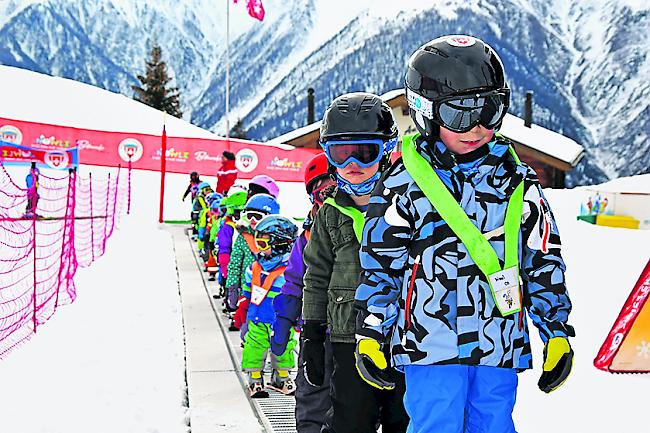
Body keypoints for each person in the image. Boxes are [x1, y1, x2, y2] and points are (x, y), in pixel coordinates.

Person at [354, 35, 575, 433]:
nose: (476, 127)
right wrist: (372, 329)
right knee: (436, 422)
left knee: (493, 423)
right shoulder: (402, 183)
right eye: (459, 115)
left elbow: (542, 259)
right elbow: (381, 267)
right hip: (429, 343)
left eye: (489, 111)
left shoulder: (517, 183)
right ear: (425, 111)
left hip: (498, 340)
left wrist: (556, 330)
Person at [302, 93, 409, 433]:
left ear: (386, 152)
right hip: (347, 337)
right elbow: (316, 276)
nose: (353, 165)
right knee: (350, 420)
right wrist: (313, 333)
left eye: (365, 153)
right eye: (341, 153)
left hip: (402, 338)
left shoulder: (408, 205)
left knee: (403, 419)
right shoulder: (330, 214)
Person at [271, 152, 336, 433]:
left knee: (353, 404)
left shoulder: (366, 225)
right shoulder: (307, 236)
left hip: (356, 332)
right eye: (321, 193)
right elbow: (295, 279)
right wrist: (285, 319)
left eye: (333, 189)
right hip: (317, 331)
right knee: (311, 395)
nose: (328, 200)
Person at [238, 215, 299, 398]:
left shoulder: (290, 270)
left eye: (264, 244)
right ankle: (255, 377)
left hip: (281, 320)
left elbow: (296, 293)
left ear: (281, 244)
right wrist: (243, 305)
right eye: (258, 243)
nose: (260, 249)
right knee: (254, 346)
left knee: (285, 346)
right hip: (257, 317)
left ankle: (281, 376)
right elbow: (248, 290)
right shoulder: (255, 267)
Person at [226, 193, 280, 330]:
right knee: (247, 328)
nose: (253, 220)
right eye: (249, 215)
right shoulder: (244, 237)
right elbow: (235, 262)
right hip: (249, 288)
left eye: (258, 216)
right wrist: (232, 285)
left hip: (273, 292)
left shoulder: (279, 238)